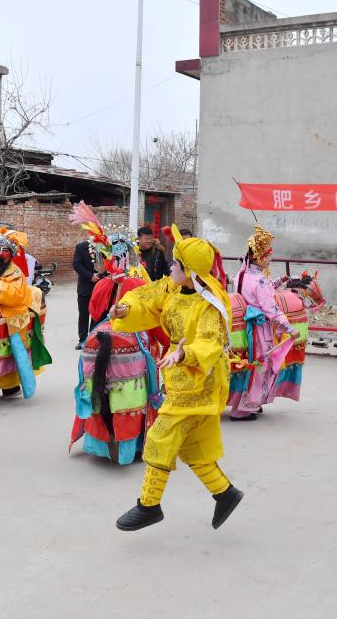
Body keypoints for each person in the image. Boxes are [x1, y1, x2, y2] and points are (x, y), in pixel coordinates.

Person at [109, 225, 244, 531]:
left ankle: (149, 505)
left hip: (199, 381)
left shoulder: (209, 304)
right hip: (178, 376)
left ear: (189, 270)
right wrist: (125, 308)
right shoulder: (174, 286)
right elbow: (147, 296)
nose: (170, 267)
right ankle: (225, 493)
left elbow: (210, 341)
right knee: (192, 445)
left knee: (160, 437)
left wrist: (185, 354)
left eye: (176, 263)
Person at [69, 203, 163, 464]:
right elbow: (152, 317)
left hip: (100, 334)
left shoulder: (102, 284)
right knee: (150, 376)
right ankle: (135, 439)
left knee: (87, 377)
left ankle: (98, 439)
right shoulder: (139, 283)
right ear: (131, 255)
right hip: (133, 334)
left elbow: (94, 310)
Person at [0, 228, 51, 409]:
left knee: (3, 350)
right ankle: (10, 388)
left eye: (5, 250)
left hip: (12, 310)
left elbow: (17, 295)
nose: (1, 253)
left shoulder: (15, 272)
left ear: (11, 254)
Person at [227, 223, 300, 421]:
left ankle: (252, 402)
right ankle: (242, 409)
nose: (270, 259)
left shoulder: (243, 273)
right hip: (259, 328)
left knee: (253, 366)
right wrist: (289, 328)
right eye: (267, 256)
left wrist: (279, 281)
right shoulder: (258, 279)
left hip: (248, 325)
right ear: (258, 257)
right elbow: (270, 308)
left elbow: (261, 291)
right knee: (260, 366)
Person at [72, 239, 97, 349]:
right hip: (85, 287)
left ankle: (93, 338)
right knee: (83, 314)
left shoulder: (105, 246)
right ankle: (82, 339)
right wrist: (90, 276)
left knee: (97, 314)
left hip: (100, 287)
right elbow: (76, 264)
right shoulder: (81, 247)